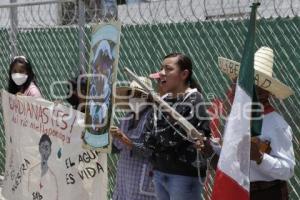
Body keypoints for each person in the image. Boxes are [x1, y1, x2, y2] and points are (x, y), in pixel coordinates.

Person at [219, 47, 295, 200]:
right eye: (236, 82)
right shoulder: (235, 119)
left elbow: (287, 170)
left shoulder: (275, 123)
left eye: (243, 83)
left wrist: (260, 157)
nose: (235, 87)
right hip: (238, 191)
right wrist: (211, 150)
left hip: (267, 193)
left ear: (263, 92)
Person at [142, 53, 213, 200]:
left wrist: (160, 138)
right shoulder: (162, 101)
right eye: (161, 68)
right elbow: (148, 137)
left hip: (183, 177)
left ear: (184, 74)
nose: (161, 73)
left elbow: (173, 138)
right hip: (160, 172)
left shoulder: (194, 100)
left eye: (168, 69)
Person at [110, 77, 156, 200]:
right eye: (131, 94)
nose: (133, 98)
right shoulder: (127, 118)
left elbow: (146, 150)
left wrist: (122, 137)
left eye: (138, 94)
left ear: (147, 97)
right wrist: (97, 137)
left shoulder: (153, 117)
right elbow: (114, 148)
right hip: (124, 180)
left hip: (143, 179)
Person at [28, 134, 58, 200]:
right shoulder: (32, 171)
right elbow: (29, 193)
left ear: (50, 150)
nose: (45, 150)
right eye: (42, 147)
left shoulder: (53, 178)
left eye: (47, 147)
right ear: (39, 149)